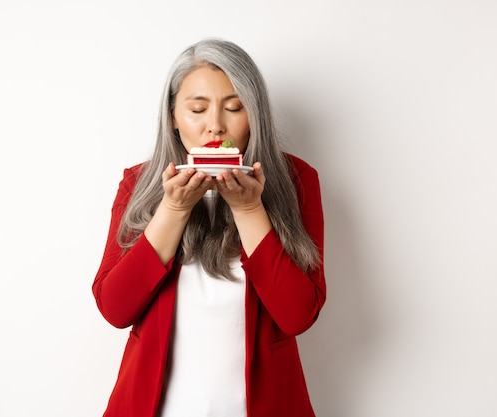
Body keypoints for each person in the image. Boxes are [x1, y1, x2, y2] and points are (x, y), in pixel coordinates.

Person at [92, 38, 326, 417]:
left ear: (255, 115)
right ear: (172, 116)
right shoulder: (138, 184)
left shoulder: (297, 180)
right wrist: (172, 208)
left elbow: (298, 315)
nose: (215, 126)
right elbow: (116, 309)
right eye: (197, 109)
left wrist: (249, 209)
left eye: (234, 107)